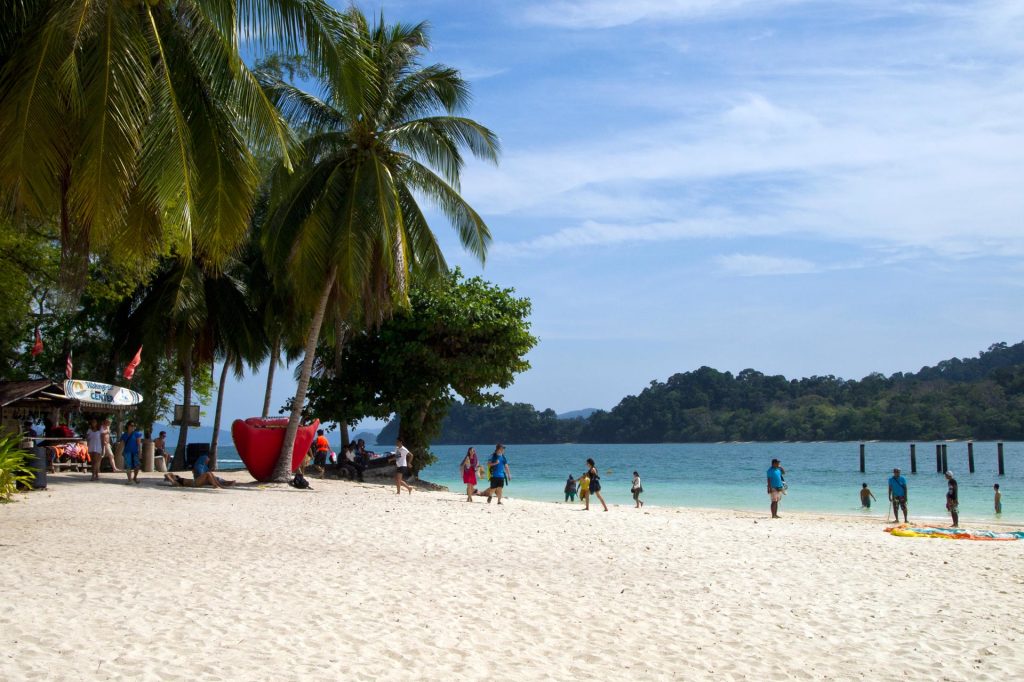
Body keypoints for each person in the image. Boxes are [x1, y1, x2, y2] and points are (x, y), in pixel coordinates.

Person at [164, 452, 235, 489]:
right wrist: (171, 479)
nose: (174, 476)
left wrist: (173, 477)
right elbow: (167, 475)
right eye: (174, 477)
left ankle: (218, 485)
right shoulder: (177, 481)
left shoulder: (178, 479)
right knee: (208, 473)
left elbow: (168, 474)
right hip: (195, 483)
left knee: (209, 473)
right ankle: (217, 485)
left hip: (196, 482)